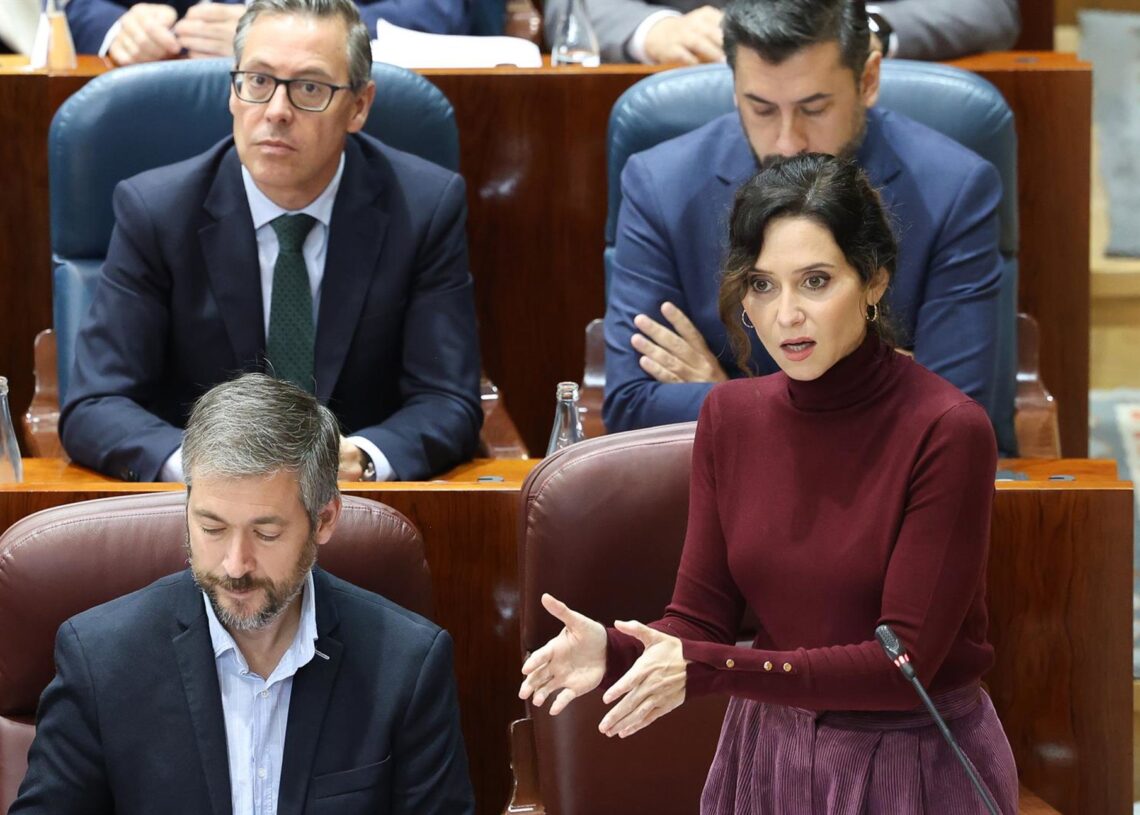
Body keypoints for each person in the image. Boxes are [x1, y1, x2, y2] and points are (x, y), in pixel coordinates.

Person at [520, 154, 1017, 813]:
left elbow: (904, 667)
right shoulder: (731, 417)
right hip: (767, 749)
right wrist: (615, 649)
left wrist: (714, 668)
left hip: (911, 755)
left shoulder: (948, 430)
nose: (786, 314)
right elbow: (699, 618)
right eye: (762, 284)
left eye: (815, 281)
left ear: (874, 281)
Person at [59, 0, 483, 484]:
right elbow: (96, 404)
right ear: (232, 93)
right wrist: (208, 473)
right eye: (258, 81)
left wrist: (363, 458)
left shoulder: (424, 208)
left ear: (359, 106)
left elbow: (447, 399)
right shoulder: (156, 211)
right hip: (200, 519)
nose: (277, 112)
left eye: (309, 87)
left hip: (356, 508)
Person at [13, 373, 476, 814]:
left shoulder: (408, 665)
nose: (235, 565)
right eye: (212, 527)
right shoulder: (100, 659)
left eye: (266, 533)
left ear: (325, 519)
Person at [603, 0, 1010, 453]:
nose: (786, 142)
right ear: (735, 87)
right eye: (760, 108)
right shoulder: (660, 185)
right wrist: (862, 390)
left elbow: (954, 411)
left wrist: (733, 398)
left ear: (868, 80)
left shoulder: (953, 190)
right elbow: (631, 405)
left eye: (813, 109)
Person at [543, 0, 1019, 64]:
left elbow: (987, 8)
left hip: (867, 115)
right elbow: (569, 6)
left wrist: (865, 27)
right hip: (694, 90)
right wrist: (655, 31)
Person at [67, 0, 472, 63]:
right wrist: (123, 29)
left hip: (335, 111)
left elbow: (437, 13)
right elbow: (79, 7)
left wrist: (284, 32)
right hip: (167, 102)